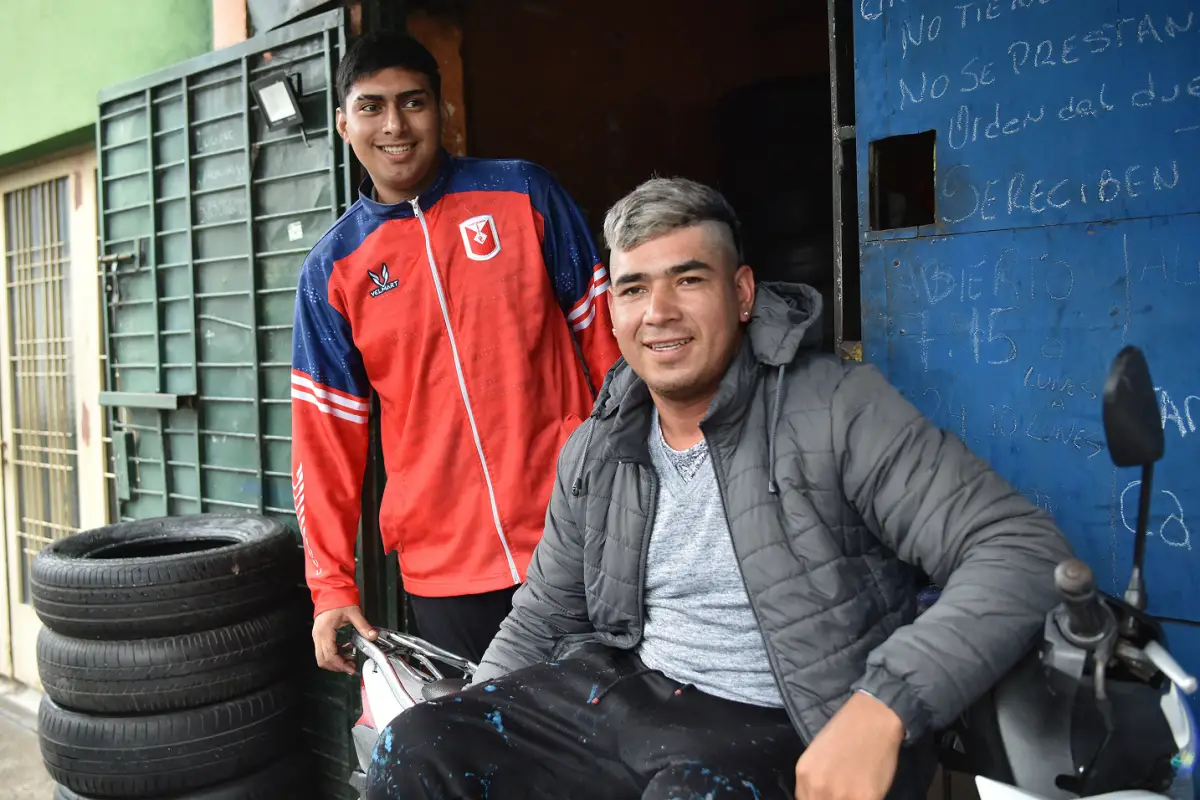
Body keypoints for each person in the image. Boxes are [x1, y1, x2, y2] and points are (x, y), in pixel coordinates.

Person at [364, 176, 1075, 800]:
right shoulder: (598, 445)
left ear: (741, 294)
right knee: (420, 745)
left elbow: (1020, 551)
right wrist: (476, 713)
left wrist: (883, 706)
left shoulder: (835, 410)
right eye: (633, 289)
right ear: (612, 312)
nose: (658, 311)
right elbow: (545, 616)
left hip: (782, 722)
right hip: (625, 698)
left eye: (688, 280)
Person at [290, 31, 621, 672]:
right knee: (484, 732)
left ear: (441, 111)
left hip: (575, 534)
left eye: (412, 102)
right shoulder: (332, 270)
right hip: (445, 574)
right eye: (371, 106)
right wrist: (330, 585)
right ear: (343, 123)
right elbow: (326, 436)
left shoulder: (524, 195)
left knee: (602, 720)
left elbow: (609, 344)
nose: (395, 125)